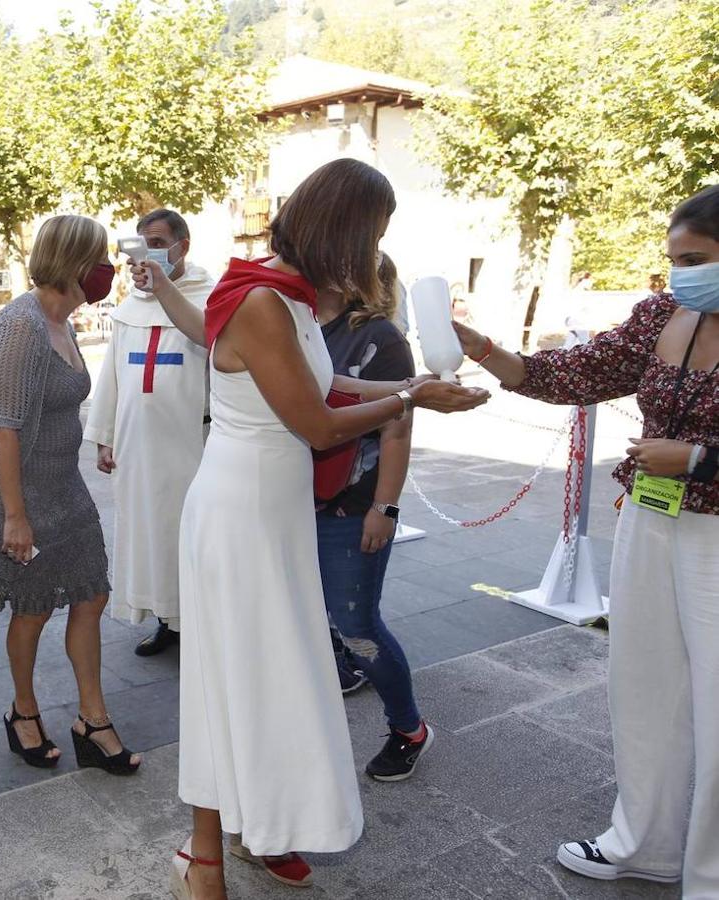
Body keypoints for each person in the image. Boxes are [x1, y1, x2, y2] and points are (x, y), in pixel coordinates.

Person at [130, 159, 487, 898]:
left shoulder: (282, 296)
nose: (374, 249)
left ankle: (257, 826)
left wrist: (413, 387)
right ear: (345, 231)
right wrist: (408, 405)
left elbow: (322, 384)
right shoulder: (265, 300)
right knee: (233, 681)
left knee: (265, 680)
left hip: (268, 510)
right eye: (374, 233)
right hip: (240, 516)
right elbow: (319, 424)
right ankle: (203, 853)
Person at [453, 184, 719, 895]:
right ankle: (645, 843)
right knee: (644, 685)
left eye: (695, 259)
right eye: (673, 260)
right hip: (651, 520)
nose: (680, 274)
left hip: (716, 535)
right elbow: (571, 373)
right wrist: (485, 350)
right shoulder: (666, 312)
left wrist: (699, 459)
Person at [0, 214, 140, 776]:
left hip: (61, 480)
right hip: (14, 488)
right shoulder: (23, 325)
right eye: (98, 257)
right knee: (34, 605)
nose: (106, 270)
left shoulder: (62, 319)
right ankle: (23, 713)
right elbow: (3, 427)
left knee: (90, 593)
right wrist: (15, 517)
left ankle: (93, 718)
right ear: (73, 261)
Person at [315, 252, 432, 781]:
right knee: (326, 618)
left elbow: (397, 426)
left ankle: (408, 728)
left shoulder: (381, 339)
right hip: (295, 502)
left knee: (358, 624)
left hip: (352, 506)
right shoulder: (301, 324)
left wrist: (384, 509)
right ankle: (346, 667)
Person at [83, 208, 216, 657]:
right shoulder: (129, 308)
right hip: (138, 447)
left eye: (158, 241)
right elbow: (112, 378)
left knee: (189, 534)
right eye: (143, 242)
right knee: (150, 536)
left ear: (183, 245)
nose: (150, 252)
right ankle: (166, 620)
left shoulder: (208, 298)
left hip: (190, 445)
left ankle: (198, 624)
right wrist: (106, 436)